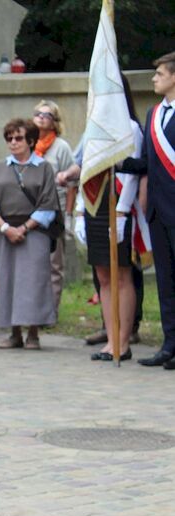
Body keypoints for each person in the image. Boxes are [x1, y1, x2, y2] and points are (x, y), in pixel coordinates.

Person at [75, 87, 143, 361]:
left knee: (121, 275)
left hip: (118, 206)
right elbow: (85, 169)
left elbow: (132, 175)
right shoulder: (92, 129)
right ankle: (111, 338)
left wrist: (123, 211)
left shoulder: (130, 128)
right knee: (103, 276)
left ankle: (123, 342)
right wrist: (79, 210)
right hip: (95, 204)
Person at [119, 52, 175, 369]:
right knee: (166, 282)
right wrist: (118, 163)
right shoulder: (153, 114)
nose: (154, 79)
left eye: (160, 74)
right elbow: (147, 163)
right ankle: (170, 345)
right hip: (157, 212)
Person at [0, 119, 59, 350]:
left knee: (34, 281)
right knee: (7, 280)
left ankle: (33, 333)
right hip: (4, 231)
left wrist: (24, 228)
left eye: (18, 138)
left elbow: (48, 205)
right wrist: (5, 228)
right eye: (9, 138)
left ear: (31, 141)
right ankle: (14, 332)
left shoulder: (44, 168)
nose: (13, 142)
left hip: (35, 232)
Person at [32, 100, 76, 310]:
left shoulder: (61, 147)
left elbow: (72, 184)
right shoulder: (26, 144)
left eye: (47, 115)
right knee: (32, 263)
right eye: (38, 114)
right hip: (30, 210)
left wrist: (68, 215)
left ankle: (50, 310)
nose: (41, 118)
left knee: (53, 263)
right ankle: (32, 308)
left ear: (55, 121)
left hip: (54, 211)